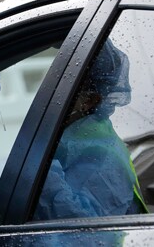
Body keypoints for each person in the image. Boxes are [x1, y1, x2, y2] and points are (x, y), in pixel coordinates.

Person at [34, 39, 147, 220]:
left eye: (63, 87)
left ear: (89, 101)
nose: (50, 93)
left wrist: (41, 166)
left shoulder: (102, 155)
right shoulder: (73, 139)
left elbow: (83, 227)